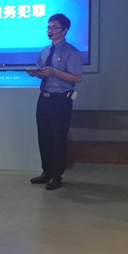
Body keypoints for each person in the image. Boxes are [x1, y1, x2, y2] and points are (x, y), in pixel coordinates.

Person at [28, 13, 83, 190]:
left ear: (65, 30)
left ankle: (56, 176)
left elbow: (77, 78)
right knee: (43, 137)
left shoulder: (72, 52)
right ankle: (46, 171)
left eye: (55, 27)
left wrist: (53, 72)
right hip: (44, 98)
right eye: (49, 27)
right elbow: (42, 72)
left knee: (58, 139)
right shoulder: (45, 51)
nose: (50, 31)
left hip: (61, 100)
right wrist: (35, 73)